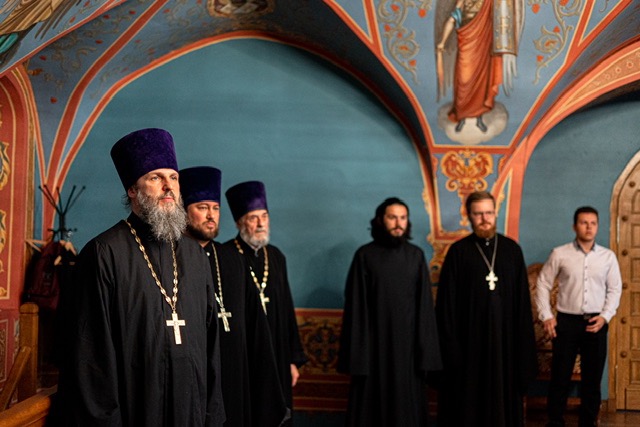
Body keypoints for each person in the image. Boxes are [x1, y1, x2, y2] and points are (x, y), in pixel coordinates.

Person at [53, 128, 225, 426]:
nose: (168, 187)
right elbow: (90, 357)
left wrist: (212, 416)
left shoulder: (195, 256)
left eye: (173, 177)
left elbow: (212, 347)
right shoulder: (104, 253)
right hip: (136, 412)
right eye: (156, 178)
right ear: (133, 189)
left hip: (191, 413)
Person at [180, 166, 289, 427]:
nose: (211, 215)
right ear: (183, 211)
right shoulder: (172, 257)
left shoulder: (232, 259)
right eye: (202, 207)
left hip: (234, 369)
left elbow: (256, 326)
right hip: (191, 370)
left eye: (215, 208)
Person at [337, 197, 442, 426]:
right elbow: (356, 308)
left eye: (403, 218)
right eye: (392, 217)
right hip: (373, 352)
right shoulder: (365, 256)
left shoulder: (415, 256)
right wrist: (359, 357)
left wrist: (426, 355)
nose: (398, 223)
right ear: (381, 220)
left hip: (408, 353)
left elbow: (424, 308)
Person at [435, 190, 537, 427]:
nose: (484, 219)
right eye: (478, 214)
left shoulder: (512, 251)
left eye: (489, 213)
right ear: (468, 216)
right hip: (469, 344)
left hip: (505, 343)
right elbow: (447, 306)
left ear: (496, 213)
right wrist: (451, 347)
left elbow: (522, 305)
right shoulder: (458, 252)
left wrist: (523, 347)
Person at [223, 181, 307, 424]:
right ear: (239, 222)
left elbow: (287, 309)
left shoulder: (276, 257)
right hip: (245, 353)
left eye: (264, 216)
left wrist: (292, 360)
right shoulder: (226, 255)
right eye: (253, 218)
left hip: (277, 351)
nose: (261, 224)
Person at [535, 206, 622, 427]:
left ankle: (588, 422)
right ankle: (555, 422)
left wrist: (605, 316)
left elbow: (615, 289)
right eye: (584, 223)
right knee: (560, 377)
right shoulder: (560, 254)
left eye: (593, 223)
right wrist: (547, 316)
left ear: (597, 226)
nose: (589, 227)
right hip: (567, 322)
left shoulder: (608, 257)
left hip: (596, 323)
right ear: (575, 226)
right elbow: (543, 283)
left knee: (592, 380)